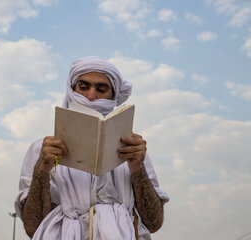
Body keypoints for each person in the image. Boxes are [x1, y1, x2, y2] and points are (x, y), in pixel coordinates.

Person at [14, 56, 169, 240]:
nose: (91, 96)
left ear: (113, 96)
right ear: (72, 90)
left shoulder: (133, 149)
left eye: (101, 90)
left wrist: (137, 169)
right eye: (84, 87)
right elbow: (32, 227)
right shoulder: (42, 149)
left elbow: (153, 223)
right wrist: (42, 170)